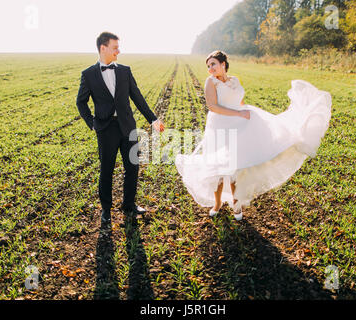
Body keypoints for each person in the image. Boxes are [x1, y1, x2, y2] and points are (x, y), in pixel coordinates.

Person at [175, 50, 331, 221]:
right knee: (217, 166)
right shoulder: (210, 82)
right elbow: (212, 106)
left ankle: (236, 205)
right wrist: (238, 114)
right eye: (208, 66)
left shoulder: (234, 80)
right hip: (220, 124)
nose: (210, 68)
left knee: (236, 165)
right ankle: (217, 204)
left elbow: (239, 101)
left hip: (238, 123)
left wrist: (245, 111)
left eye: (213, 64)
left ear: (223, 64)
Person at [76, 32, 165, 224]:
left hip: (128, 127)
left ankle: (129, 204)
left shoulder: (125, 71)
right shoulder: (89, 74)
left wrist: (153, 120)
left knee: (132, 167)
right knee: (106, 170)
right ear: (103, 48)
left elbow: (137, 97)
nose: (119, 51)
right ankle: (106, 210)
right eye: (115, 47)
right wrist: (92, 123)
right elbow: (81, 102)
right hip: (105, 129)